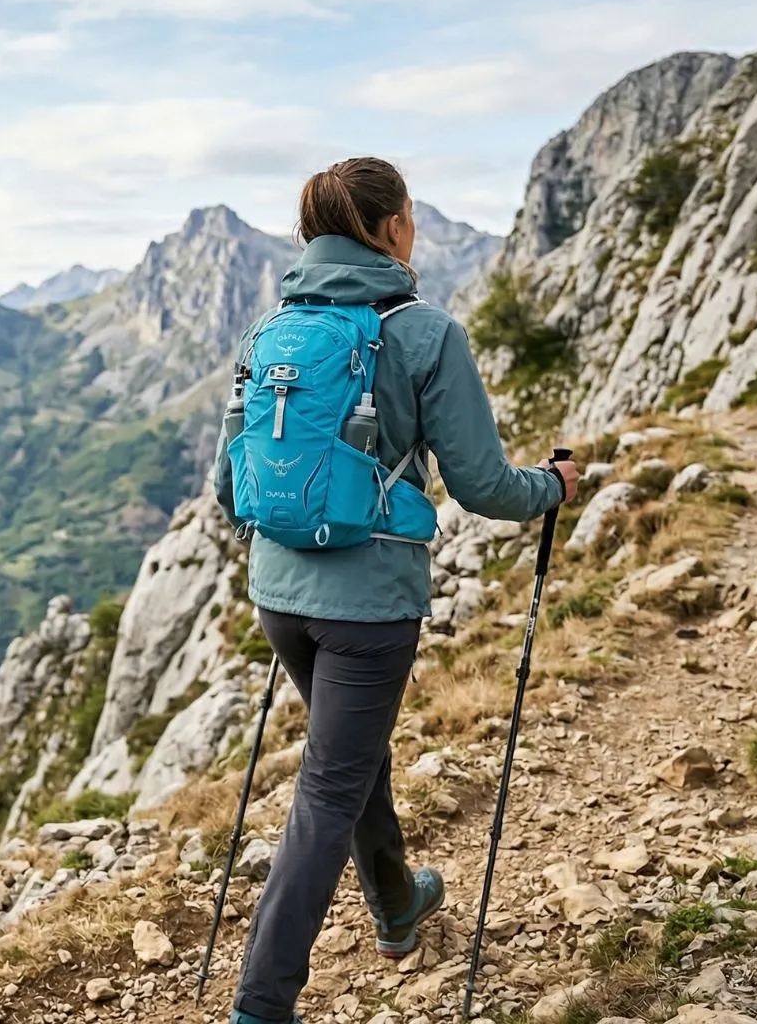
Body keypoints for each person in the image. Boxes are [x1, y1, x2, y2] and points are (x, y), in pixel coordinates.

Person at [211, 157, 578, 1024]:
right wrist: (552, 487)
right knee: (328, 790)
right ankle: (261, 1004)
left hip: (278, 597)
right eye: (408, 216)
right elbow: (484, 486)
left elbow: (230, 485)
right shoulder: (425, 332)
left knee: (351, 757)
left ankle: (396, 904)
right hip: (369, 607)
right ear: (390, 229)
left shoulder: (268, 333)